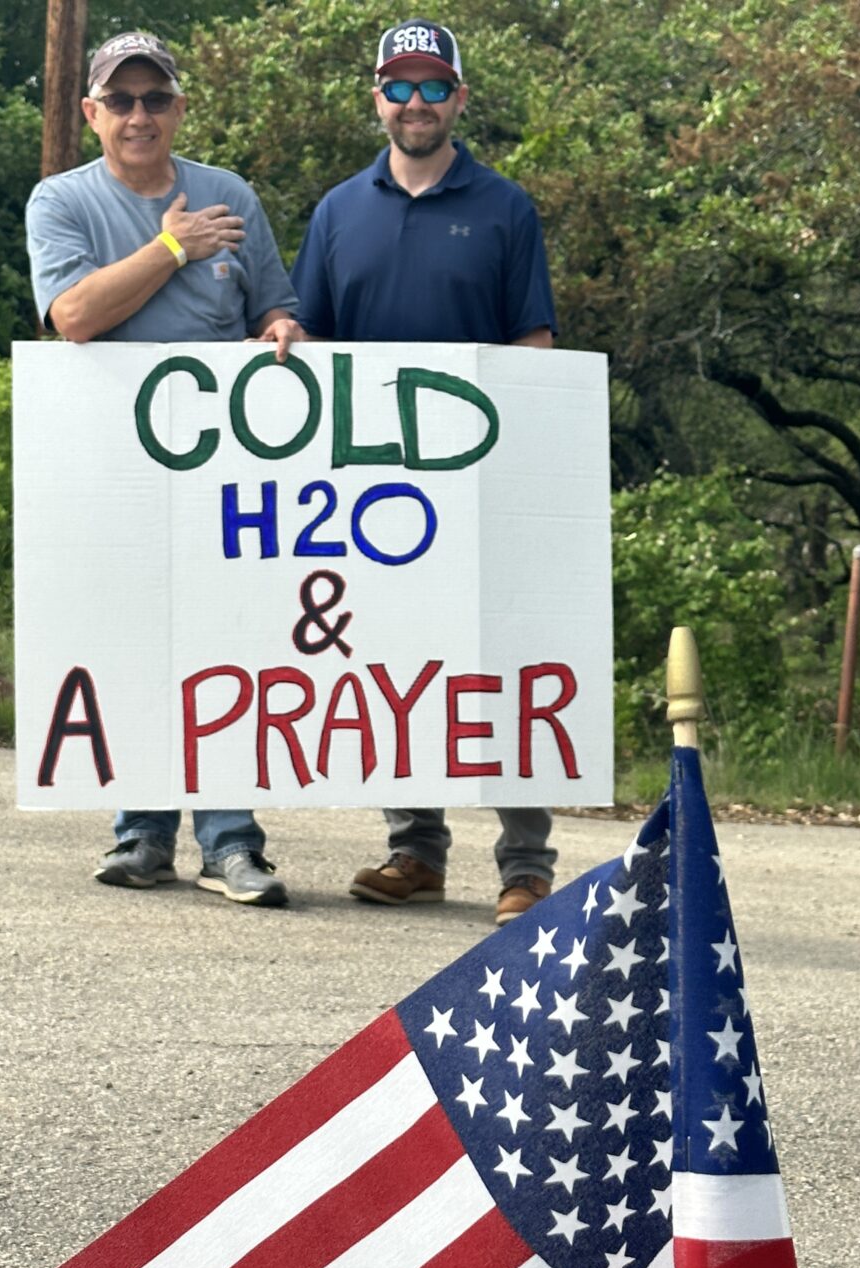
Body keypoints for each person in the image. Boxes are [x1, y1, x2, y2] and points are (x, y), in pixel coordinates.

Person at [290, 19, 559, 926]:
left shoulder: (505, 206)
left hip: (480, 483)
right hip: (372, 490)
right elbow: (313, 337)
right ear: (375, 97)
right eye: (397, 87)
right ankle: (416, 849)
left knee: (498, 663)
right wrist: (285, 338)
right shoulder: (337, 210)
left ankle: (525, 865)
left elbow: (534, 345)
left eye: (431, 86)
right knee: (398, 657)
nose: (414, 103)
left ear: (460, 99)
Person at [25, 31, 303, 907]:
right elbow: (70, 316)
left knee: (227, 643)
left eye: (156, 99)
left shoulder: (232, 195)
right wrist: (171, 247)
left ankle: (231, 843)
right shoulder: (60, 202)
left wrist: (283, 332)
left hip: (227, 468)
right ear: (91, 113)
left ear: (180, 108)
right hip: (113, 466)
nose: (139, 115)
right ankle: (141, 835)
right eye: (122, 101)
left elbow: (275, 303)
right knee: (135, 638)